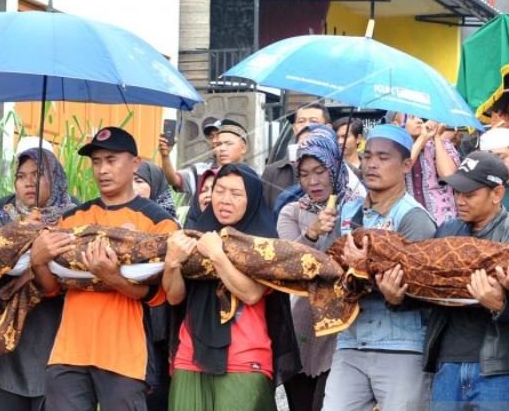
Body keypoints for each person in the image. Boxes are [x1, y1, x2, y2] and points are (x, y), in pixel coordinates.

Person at [35, 127, 179, 411]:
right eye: (97, 161)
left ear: (135, 163)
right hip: (69, 351)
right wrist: (39, 259)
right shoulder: (72, 218)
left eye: (111, 160)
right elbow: (51, 289)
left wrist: (114, 278)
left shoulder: (159, 222)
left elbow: (160, 296)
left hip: (124, 354)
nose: (102, 169)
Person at [163, 163, 299, 411]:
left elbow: (250, 294)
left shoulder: (263, 243)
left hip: (245, 359)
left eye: (236, 194)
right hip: (190, 355)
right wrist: (172, 263)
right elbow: (174, 298)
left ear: (253, 199)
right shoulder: (196, 234)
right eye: (219, 190)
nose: (225, 200)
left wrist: (217, 254)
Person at [322, 124, 437, 411]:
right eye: (367, 156)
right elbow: (328, 269)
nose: (372, 164)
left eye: (384, 158)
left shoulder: (414, 218)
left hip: (402, 346)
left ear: (407, 164)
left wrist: (364, 271)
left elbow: (421, 287)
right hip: (351, 342)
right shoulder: (347, 212)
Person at [425, 151, 509, 410]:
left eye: (469, 194)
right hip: (447, 361)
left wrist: (501, 305)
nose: (459, 201)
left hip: (500, 366)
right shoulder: (446, 232)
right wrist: (398, 298)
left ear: (497, 194)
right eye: (457, 193)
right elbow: (427, 285)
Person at [0, 148, 76, 411]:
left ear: (55, 178)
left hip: (57, 336)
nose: (28, 182)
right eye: (21, 176)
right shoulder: (2, 218)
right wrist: (24, 235)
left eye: (37, 174)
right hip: (10, 344)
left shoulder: (74, 217)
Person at [277, 131, 357, 411]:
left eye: (320, 171)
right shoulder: (292, 212)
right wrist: (311, 233)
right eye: (305, 174)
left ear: (335, 167)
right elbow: (288, 265)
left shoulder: (356, 208)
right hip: (301, 324)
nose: (313, 181)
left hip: (340, 331)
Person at [389, 112, 460, 224]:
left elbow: (448, 175)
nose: (419, 121)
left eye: (420, 117)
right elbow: (398, 171)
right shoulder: (391, 150)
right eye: (412, 117)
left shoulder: (442, 144)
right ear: (395, 124)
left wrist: (436, 136)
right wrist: (423, 138)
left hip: (444, 224)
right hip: (410, 224)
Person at [262, 103, 331, 208]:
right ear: (294, 128)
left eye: (313, 121)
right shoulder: (273, 172)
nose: (307, 126)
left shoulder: (341, 170)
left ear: (328, 128)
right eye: (301, 121)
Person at [158, 117, 222, 198]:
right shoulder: (200, 170)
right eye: (212, 136)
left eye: (219, 135)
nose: (214, 141)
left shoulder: (241, 173)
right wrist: (165, 156)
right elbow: (174, 180)